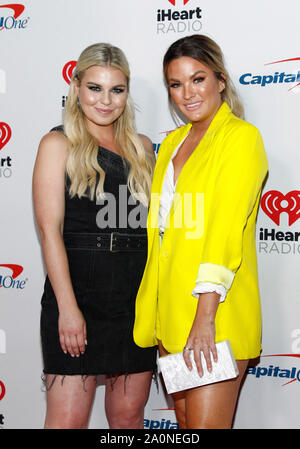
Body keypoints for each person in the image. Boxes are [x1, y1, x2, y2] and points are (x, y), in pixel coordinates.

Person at [133, 34, 268, 429]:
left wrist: (204, 318)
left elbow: (225, 231)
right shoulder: (171, 144)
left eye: (198, 79)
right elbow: (162, 238)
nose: (186, 93)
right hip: (172, 319)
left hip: (214, 316)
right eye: (176, 84)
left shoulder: (240, 139)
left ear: (220, 80)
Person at [33, 43, 157, 429]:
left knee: (127, 417)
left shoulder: (143, 149)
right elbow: (49, 232)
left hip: (134, 298)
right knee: (67, 420)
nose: (106, 100)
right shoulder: (57, 144)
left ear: (126, 93)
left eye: (116, 90)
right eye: (95, 88)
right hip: (79, 294)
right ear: (77, 87)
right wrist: (68, 309)